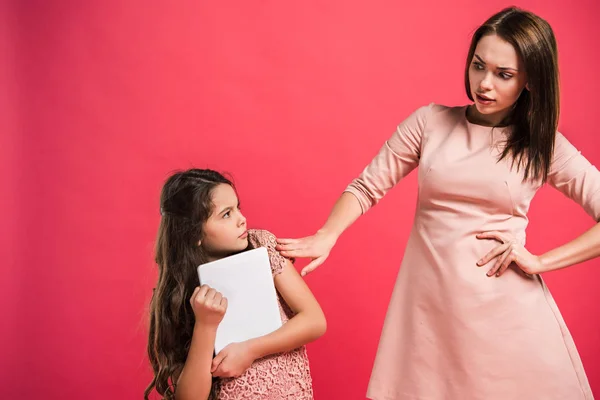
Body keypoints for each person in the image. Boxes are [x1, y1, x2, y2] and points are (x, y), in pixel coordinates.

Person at [276, 7, 599, 399]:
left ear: (530, 80)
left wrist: (541, 262)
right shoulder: (429, 123)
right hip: (430, 314)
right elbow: (366, 187)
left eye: (504, 74)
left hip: (509, 318)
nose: (484, 83)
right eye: (479, 66)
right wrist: (328, 235)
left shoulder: (542, 147)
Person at [145, 169, 326, 400]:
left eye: (238, 207)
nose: (242, 219)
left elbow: (314, 320)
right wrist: (206, 325)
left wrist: (251, 349)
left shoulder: (263, 246)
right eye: (227, 214)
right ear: (193, 234)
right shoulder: (182, 293)